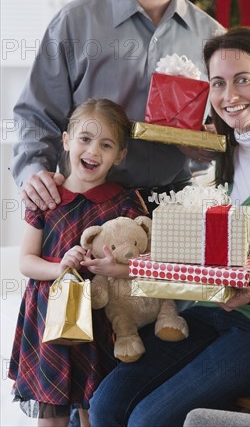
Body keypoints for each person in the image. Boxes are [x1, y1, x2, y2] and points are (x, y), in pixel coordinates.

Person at [88, 27, 250, 427]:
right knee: (106, 404)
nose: (229, 96)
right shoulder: (227, 150)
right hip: (216, 311)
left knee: (149, 420)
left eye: (243, 79)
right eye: (218, 83)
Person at [11, 0, 223, 214]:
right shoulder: (74, 22)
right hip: (85, 206)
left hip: (176, 209)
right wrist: (33, 171)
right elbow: (37, 115)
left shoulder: (213, 38)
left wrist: (209, 143)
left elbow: (232, 128)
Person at [8, 98, 148, 427]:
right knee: (51, 412)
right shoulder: (46, 197)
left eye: (106, 144)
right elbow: (26, 262)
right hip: (49, 319)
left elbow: (145, 267)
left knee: (94, 408)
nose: (93, 151)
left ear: (120, 155)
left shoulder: (125, 201)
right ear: (67, 140)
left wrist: (116, 269)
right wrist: (59, 268)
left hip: (100, 319)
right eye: (85, 139)